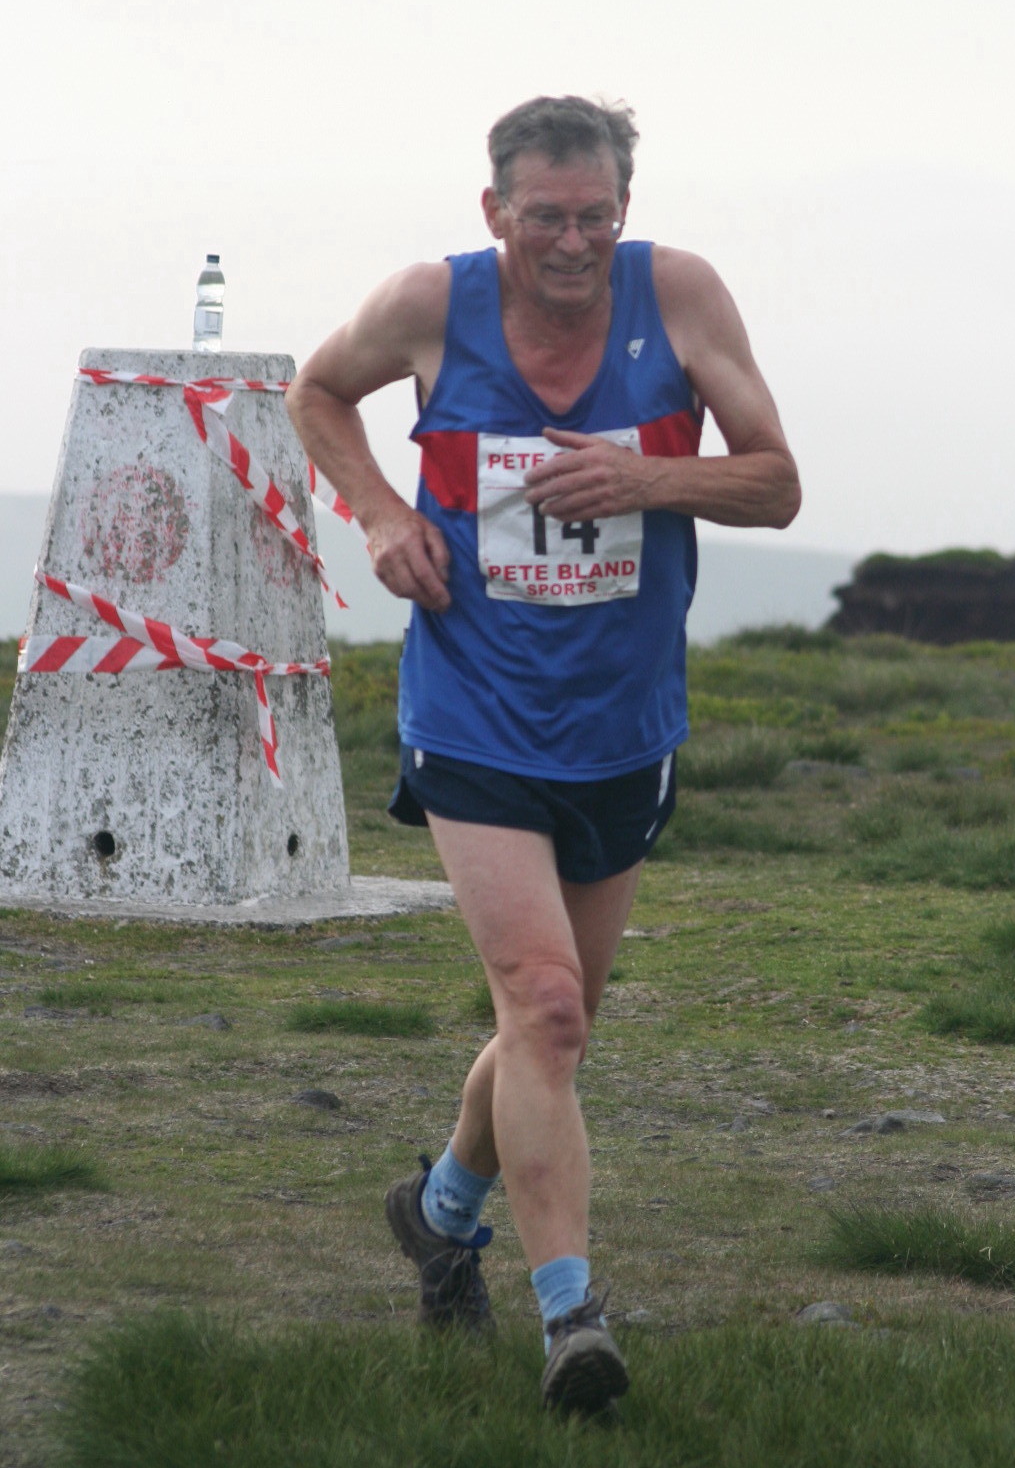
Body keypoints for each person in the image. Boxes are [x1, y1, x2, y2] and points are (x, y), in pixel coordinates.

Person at [286, 94, 800, 1415]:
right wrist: (381, 511)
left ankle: (440, 1209)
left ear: (621, 209)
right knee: (545, 1003)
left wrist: (647, 480)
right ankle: (572, 1319)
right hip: (471, 704)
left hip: (621, 721)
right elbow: (316, 392)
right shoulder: (428, 305)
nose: (570, 242)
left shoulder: (677, 297)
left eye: (594, 216)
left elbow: (775, 482)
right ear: (493, 211)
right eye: (543, 218)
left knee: (554, 1029)